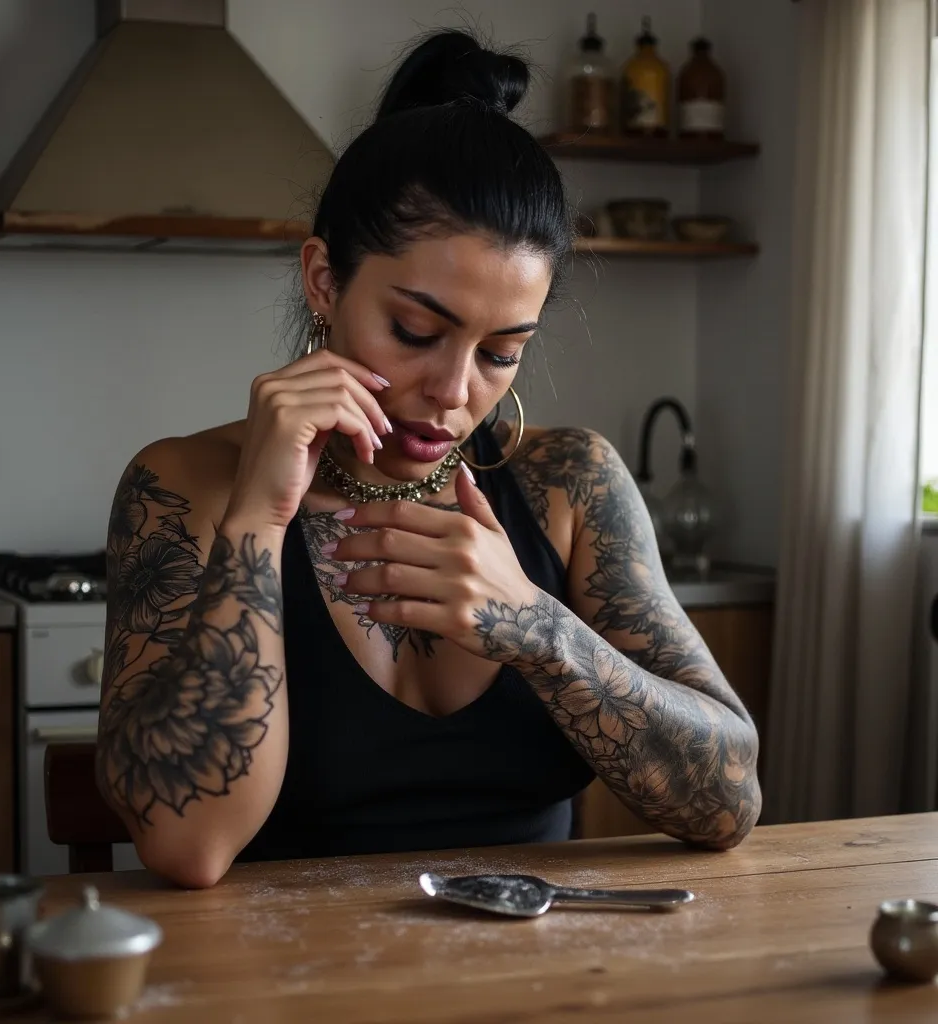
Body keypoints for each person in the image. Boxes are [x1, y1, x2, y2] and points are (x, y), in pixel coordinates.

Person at [95, 30, 761, 889]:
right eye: (417, 332)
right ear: (325, 282)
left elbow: (728, 802)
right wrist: (258, 521)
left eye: (501, 351)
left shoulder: (569, 485)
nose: (453, 391)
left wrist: (539, 629)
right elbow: (187, 846)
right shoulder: (184, 488)